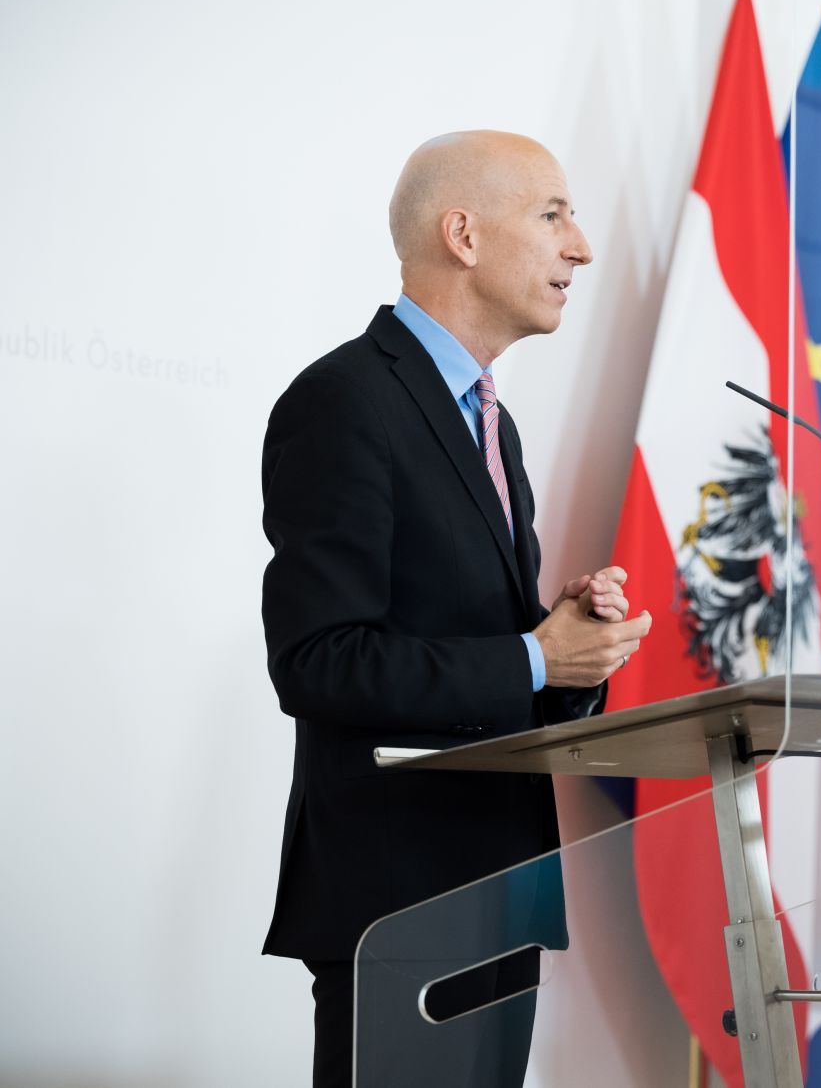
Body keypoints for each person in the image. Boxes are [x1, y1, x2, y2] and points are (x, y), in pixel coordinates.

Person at [259, 130, 652, 1088]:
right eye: (553, 214)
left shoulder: (491, 419)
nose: (582, 247)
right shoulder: (344, 401)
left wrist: (569, 654)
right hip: (397, 904)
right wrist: (531, 657)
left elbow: (486, 657)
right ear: (464, 236)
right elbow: (318, 660)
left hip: (495, 895)